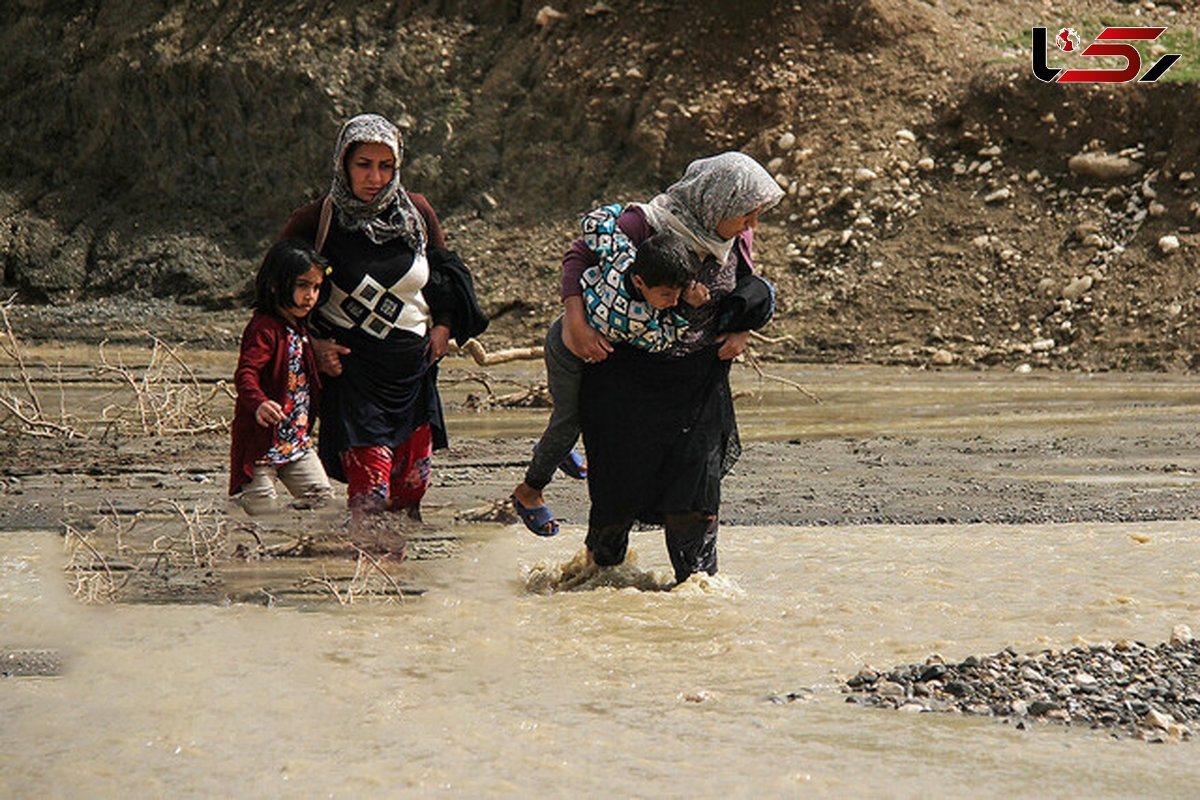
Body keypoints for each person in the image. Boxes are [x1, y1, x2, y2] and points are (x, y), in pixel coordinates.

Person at [512, 153, 782, 562]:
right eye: (747, 213)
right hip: (626, 383)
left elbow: (744, 282)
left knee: (695, 502)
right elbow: (578, 255)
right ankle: (599, 580)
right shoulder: (645, 225)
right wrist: (575, 323)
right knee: (617, 502)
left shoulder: (735, 236)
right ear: (717, 202)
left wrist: (742, 330)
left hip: (697, 386)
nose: (752, 225)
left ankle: (696, 593)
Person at [279, 113, 486, 522]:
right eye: (363, 165)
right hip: (354, 375)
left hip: (413, 371)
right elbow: (278, 294)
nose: (375, 177)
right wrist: (314, 346)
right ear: (343, 163)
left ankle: (394, 578)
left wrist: (443, 328)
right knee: (370, 492)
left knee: (412, 487)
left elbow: (445, 277)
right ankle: (365, 577)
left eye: (385, 165)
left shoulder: (418, 215)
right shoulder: (316, 221)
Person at [511, 208, 708, 535]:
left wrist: (627, 210)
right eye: (667, 295)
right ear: (641, 282)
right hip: (569, 355)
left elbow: (592, 220)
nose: (672, 302)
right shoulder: (635, 318)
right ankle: (529, 491)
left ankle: (559, 450)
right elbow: (662, 341)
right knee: (568, 421)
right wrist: (688, 307)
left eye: (676, 295)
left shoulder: (622, 256)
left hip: (561, 331)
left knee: (571, 418)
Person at [229, 238, 334, 515]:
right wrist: (259, 403)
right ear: (275, 285)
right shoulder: (264, 329)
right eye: (302, 286)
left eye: (316, 287)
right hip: (260, 443)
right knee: (263, 510)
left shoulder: (298, 327)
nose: (310, 295)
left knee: (322, 501)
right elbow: (246, 373)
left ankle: (304, 553)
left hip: (295, 440)